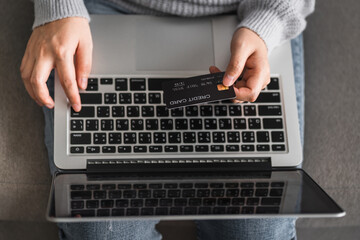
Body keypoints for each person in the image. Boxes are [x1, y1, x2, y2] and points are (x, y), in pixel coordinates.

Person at [20, 0, 314, 239]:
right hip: (101, 9)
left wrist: (269, 20)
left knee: (256, 230)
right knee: (103, 231)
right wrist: (56, 8)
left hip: (246, 14)